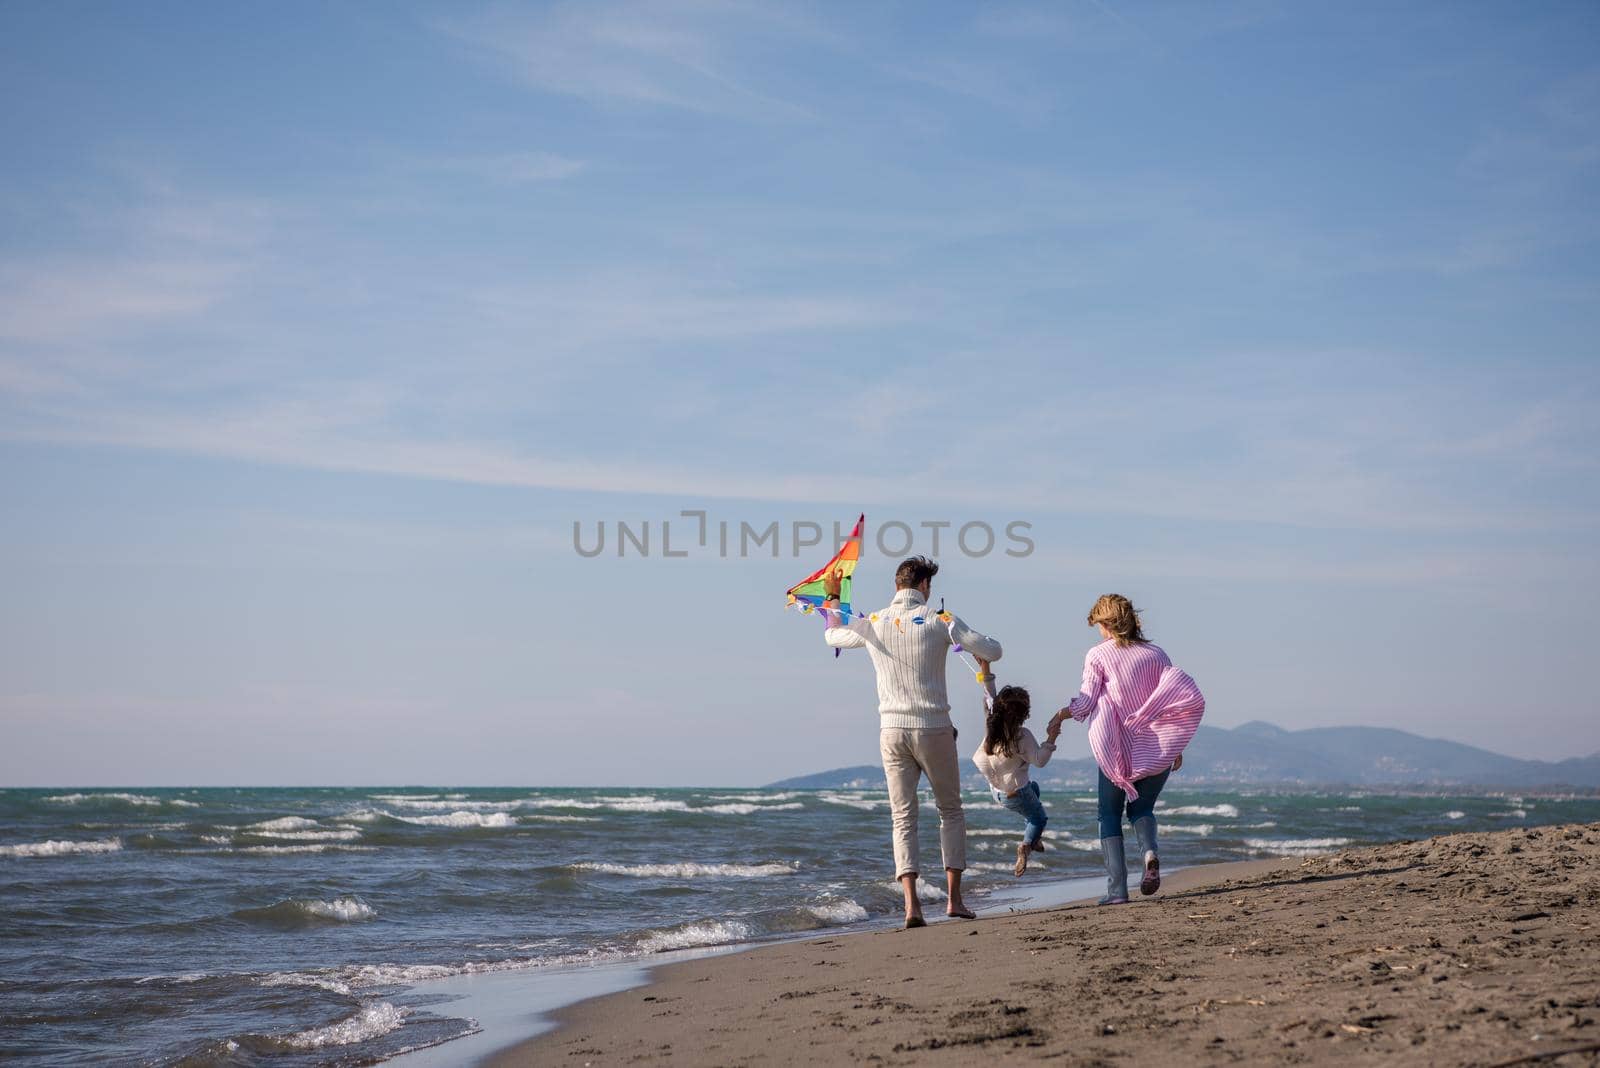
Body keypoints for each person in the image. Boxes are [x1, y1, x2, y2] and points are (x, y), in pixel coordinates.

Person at [822, 555, 1002, 928]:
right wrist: (963, 635)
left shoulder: (872, 622)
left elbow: (832, 635)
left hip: (891, 730)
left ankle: (911, 907)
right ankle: (954, 900)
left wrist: (834, 597)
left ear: (896, 586)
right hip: (933, 726)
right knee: (949, 810)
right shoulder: (940, 620)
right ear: (924, 587)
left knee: (903, 817)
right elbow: (992, 651)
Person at [1059, 594, 1205, 906]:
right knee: (1141, 809)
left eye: (1099, 624)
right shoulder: (1157, 654)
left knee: (1108, 813)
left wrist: (1060, 715)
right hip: (1157, 749)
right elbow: (1172, 700)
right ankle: (1150, 853)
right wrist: (1175, 747)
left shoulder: (1098, 655)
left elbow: (1085, 704)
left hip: (1117, 751)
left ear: (1107, 624)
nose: (1098, 631)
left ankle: (1117, 891)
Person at [970, 658, 1059, 876]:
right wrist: (1051, 738)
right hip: (1016, 793)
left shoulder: (992, 723)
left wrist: (985, 667)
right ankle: (1026, 846)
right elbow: (1039, 760)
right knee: (1039, 819)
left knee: (1035, 789)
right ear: (1024, 714)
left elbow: (989, 694)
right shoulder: (1023, 736)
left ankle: (1034, 838)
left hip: (997, 792)